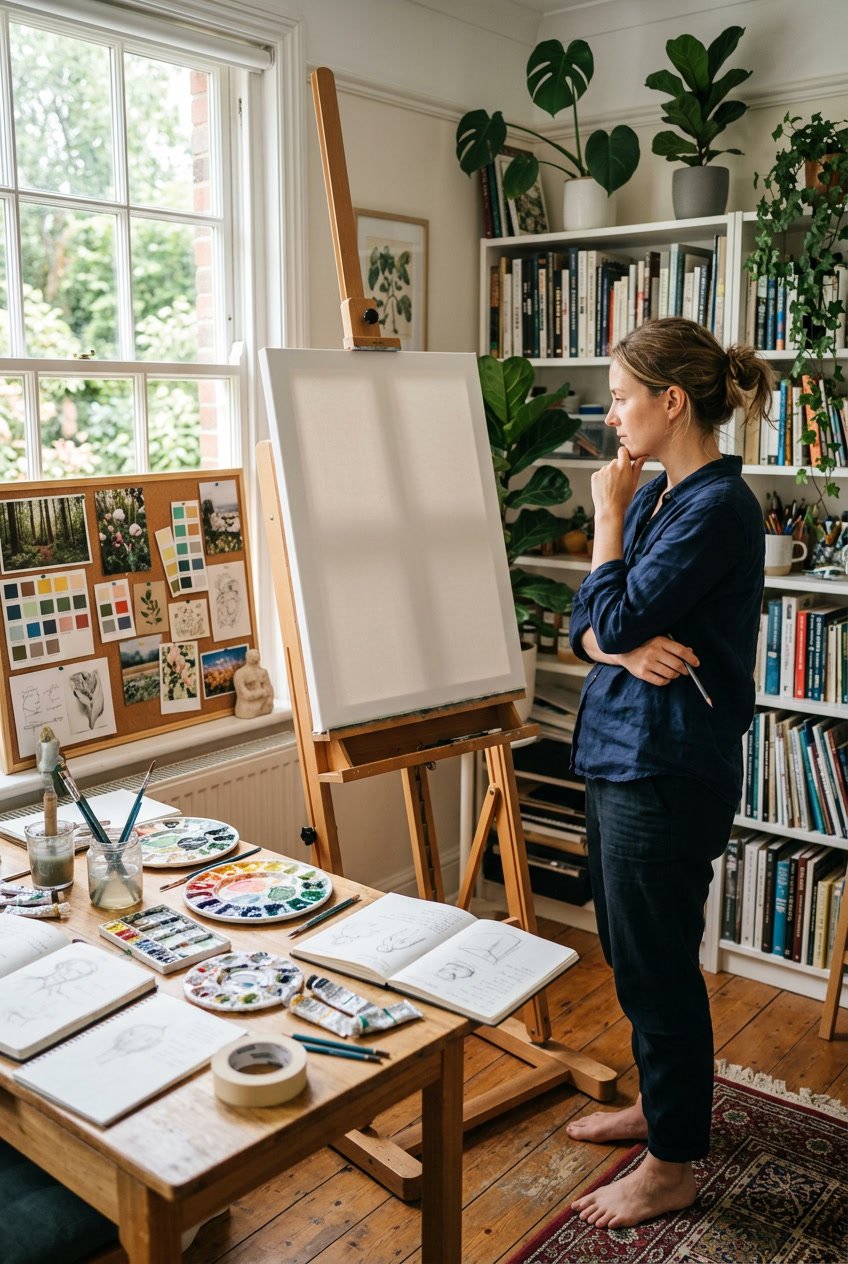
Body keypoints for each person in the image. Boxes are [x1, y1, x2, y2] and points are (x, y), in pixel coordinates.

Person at [565, 318, 773, 1229]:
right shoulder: (661, 498)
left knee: (657, 965)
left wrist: (605, 518)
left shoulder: (717, 508)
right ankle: (661, 1110)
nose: (611, 416)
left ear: (670, 401)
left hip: (669, 767)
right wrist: (615, 650)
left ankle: (675, 1164)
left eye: (619, 397)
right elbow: (591, 625)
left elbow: (615, 611)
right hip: (619, 751)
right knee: (629, 949)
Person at [233, 648, 274, 718]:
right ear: (247, 658)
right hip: (247, 709)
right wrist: (261, 692)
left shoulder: (263, 672)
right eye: (252, 656)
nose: (255, 657)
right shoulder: (240, 674)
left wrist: (269, 698)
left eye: (256, 655)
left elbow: (270, 691)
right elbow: (245, 695)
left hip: (265, 706)